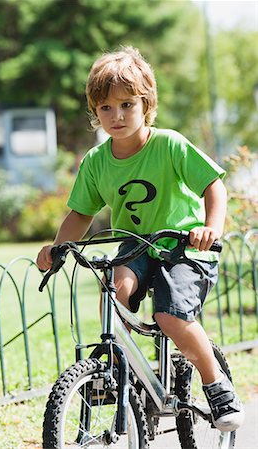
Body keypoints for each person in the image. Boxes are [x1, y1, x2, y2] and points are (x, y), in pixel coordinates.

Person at [37, 46, 244, 431]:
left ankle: (217, 385)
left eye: (127, 105)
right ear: (94, 112)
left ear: (146, 104)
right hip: (136, 245)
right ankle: (125, 377)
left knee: (169, 315)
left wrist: (210, 228)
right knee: (116, 291)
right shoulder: (97, 162)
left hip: (184, 247)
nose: (116, 116)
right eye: (105, 108)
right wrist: (57, 246)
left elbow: (214, 187)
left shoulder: (169, 145)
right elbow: (81, 213)